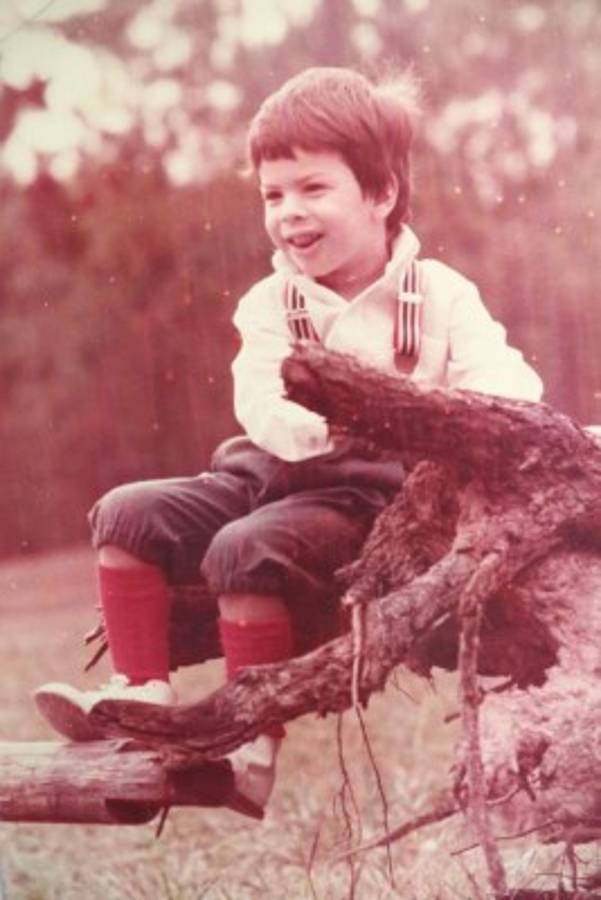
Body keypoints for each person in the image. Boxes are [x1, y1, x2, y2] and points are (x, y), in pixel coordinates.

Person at [35, 66, 543, 815]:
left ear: (381, 195)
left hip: (367, 497)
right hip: (270, 466)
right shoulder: (271, 303)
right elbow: (258, 399)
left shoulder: (436, 295)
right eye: (273, 196)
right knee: (127, 513)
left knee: (247, 548)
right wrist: (315, 422)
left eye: (312, 189)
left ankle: (250, 743)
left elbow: (509, 384)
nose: (289, 213)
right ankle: (139, 690)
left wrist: (450, 419)